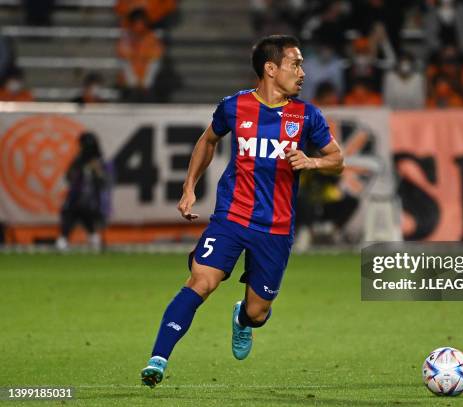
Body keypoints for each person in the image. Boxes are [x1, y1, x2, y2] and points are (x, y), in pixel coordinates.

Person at [140, 34, 344, 388]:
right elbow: (208, 140)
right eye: (295, 64)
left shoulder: (307, 115)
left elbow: (337, 159)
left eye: (302, 65)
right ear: (270, 68)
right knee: (201, 282)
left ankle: (243, 320)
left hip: (276, 227)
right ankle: (157, 359)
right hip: (231, 218)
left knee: (257, 310)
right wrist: (189, 185)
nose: (302, 72)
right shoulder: (234, 107)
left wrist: (312, 161)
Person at [56, 132, 109, 252]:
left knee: (86, 218)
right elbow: (69, 177)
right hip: (76, 199)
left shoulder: (98, 162)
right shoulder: (78, 161)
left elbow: (104, 182)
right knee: (69, 217)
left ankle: (93, 239)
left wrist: (97, 171)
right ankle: (64, 240)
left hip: (90, 201)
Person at [116, 8, 164, 102]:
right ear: (131, 24)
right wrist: (133, 82)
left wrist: (146, 82)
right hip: (128, 86)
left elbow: (155, 62)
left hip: (148, 86)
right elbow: (125, 62)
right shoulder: (126, 39)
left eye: (142, 22)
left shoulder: (152, 39)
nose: (139, 26)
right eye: (137, 23)